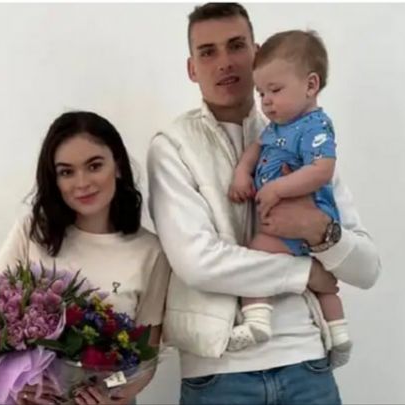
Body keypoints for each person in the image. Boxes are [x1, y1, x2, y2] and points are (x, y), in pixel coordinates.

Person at [147, 3, 380, 404]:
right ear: (191, 68)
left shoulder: (305, 136)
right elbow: (198, 262)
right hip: (219, 375)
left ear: (256, 53)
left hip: (307, 365)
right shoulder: (173, 147)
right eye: (208, 52)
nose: (224, 62)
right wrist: (305, 272)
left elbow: (367, 268)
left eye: (236, 45)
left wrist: (319, 231)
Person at [0, 111, 171, 405]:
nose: (82, 182)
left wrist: (109, 393)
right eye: (67, 172)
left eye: (94, 166)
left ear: (118, 166)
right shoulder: (31, 233)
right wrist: (18, 385)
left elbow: (145, 359)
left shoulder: (150, 251)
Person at [226, 30, 351, 356]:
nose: (266, 100)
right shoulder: (277, 127)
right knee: (323, 282)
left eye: (275, 90)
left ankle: (257, 320)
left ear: (311, 85)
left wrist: (278, 188)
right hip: (288, 223)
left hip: (308, 218)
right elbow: (255, 149)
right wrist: (242, 172)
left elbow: (322, 169)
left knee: (256, 255)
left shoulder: (315, 126)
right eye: (261, 92)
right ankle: (338, 333)